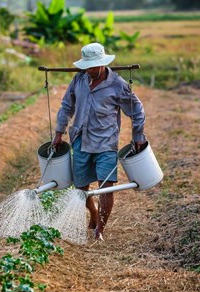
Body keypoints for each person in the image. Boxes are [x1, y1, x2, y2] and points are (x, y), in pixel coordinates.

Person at [52, 42, 147, 241]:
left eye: (95, 66)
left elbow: (137, 110)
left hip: (106, 143)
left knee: (106, 186)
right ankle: (93, 213)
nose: (91, 70)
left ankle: (99, 230)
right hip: (80, 140)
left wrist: (138, 136)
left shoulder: (118, 85)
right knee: (81, 188)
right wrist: (59, 132)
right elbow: (66, 106)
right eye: (88, 67)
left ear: (103, 63)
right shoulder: (78, 80)